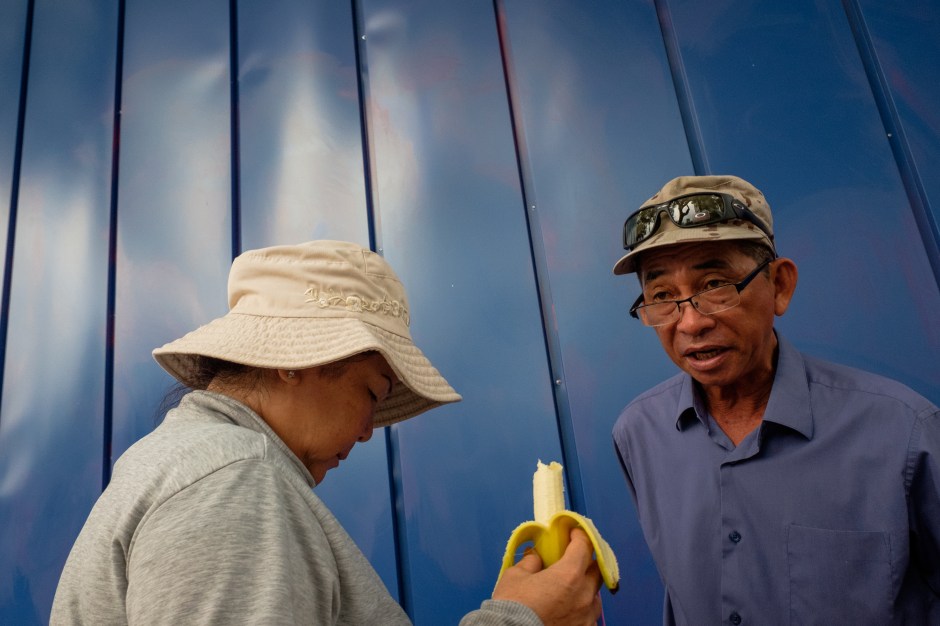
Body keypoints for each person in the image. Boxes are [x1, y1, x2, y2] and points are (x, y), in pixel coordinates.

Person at [51, 240, 602, 625]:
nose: (367, 433)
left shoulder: (191, 462)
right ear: (295, 361)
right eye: (372, 393)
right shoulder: (231, 480)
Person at [610, 175, 939, 625]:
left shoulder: (902, 429)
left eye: (713, 284)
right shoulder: (639, 432)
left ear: (780, 286)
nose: (689, 323)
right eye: (662, 296)